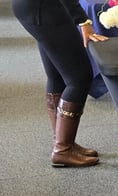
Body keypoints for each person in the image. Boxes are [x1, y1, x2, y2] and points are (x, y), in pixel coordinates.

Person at [12, 0, 108, 168]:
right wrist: (83, 21)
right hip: (44, 9)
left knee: (57, 76)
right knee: (79, 78)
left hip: (30, 8)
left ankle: (63, 141)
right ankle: (63, 150)